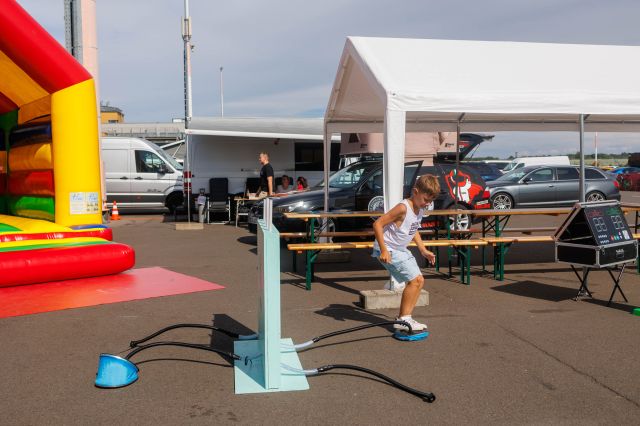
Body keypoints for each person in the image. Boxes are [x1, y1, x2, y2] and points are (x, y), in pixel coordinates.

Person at [372, 175, 439, 332]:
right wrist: (383, 250)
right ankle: (403, 319)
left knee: (419, 281)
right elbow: (377, 224)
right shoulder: (403, 207)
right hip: (389, 249)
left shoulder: (420, 208)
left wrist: (423, 250)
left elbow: (413, 228)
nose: (427, 204)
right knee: (415, 281)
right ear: (415, 191)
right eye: (425, 199)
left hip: (400, 249)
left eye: (430, 201)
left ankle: (406, 317)